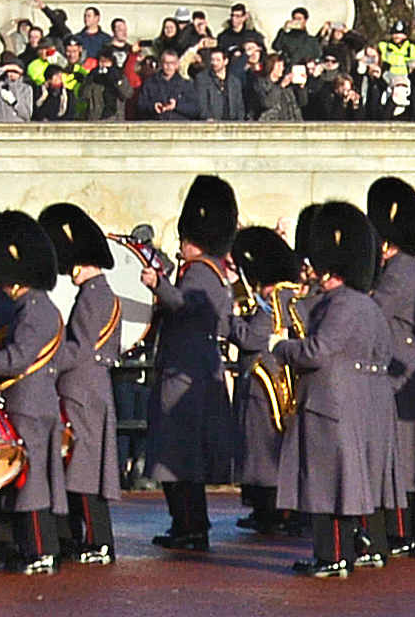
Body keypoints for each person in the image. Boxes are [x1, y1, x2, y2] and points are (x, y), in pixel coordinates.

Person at [272, 202, 393, 578]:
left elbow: (316, 352)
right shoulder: (366, 305)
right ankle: (348, 551)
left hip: (328, 406)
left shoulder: (341, 305)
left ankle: (333, 556)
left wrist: (281, 347)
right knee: (345, 486)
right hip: (353, 404)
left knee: (328, 490)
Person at [0, 212, 66, 575]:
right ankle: (28, 548)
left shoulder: (36, 309)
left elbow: (18, 359)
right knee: (21, 483)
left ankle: (40, 552)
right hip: (25, 403)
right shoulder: (29, 306)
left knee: (31, 484)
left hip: (31, 404)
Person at [141, 175, 236, 551]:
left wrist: (157, 285)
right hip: (191, 371)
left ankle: (189, 526)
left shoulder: (199, 273)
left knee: (178, 457)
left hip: (183, 376)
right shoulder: (210, 271)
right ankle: (188, 524)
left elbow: (184, 303)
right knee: (181, 458)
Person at [39, 203, 122, 565]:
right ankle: (85, 539)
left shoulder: (94, 296)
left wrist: (42, 361)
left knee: (85, 475)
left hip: (81, 391)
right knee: (81, 470)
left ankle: (99, 542)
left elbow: (78, 348)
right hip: (90, 389)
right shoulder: (100, 293)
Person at [366, 178, 415, 557]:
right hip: (404, 367)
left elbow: (373, 313)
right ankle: (404, 533)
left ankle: (405, 534)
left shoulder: (397, 272)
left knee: (398, 463)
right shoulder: (412, 269)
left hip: (394, 376)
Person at [227, 227, 302, 535]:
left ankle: (271, 512)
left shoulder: (273, 304)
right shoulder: (268, 300)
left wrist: (228, 319)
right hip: (257, 380)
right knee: (254, 451)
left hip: (265, 382)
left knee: (263, 454)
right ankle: (262, 509)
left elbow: (251, 336)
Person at [139, 50, 200, 120]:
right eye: (166, 63)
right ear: (161, 64)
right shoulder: (150, 83)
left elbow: (195, 109)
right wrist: (153, 107)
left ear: (177, 65)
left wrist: (176, 106)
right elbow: (141, 107)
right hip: (157, 124)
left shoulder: (185, 84)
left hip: (179, 125)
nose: (169, 66)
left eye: (172, 63)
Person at [193, 47, 244, 121]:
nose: (214, 63)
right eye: (212, 60)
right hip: (212, 123)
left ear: (225, 61)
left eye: (218, 60)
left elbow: (239, 105)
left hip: (232, 123)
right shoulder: (202, 78)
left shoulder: (234, 81)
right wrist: (207, 117)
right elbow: (201, 103)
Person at [255, 53, 305, 121]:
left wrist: (301, 87)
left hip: (291, 121)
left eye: (282, 65)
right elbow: (267, 103)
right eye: (278, 65)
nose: (282, 68)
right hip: (272, 122)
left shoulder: (289, 86)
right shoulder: (261, 83)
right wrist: (281, 86)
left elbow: (302, 103)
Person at [0, 55, 32, 122]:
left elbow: (27, 115)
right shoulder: (0, 86)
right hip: (1, 124)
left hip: (19, 125)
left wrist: (14, 103)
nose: (12, 74)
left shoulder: (26, 89)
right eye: (10, 71)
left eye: (16, 72)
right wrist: (4, 68)